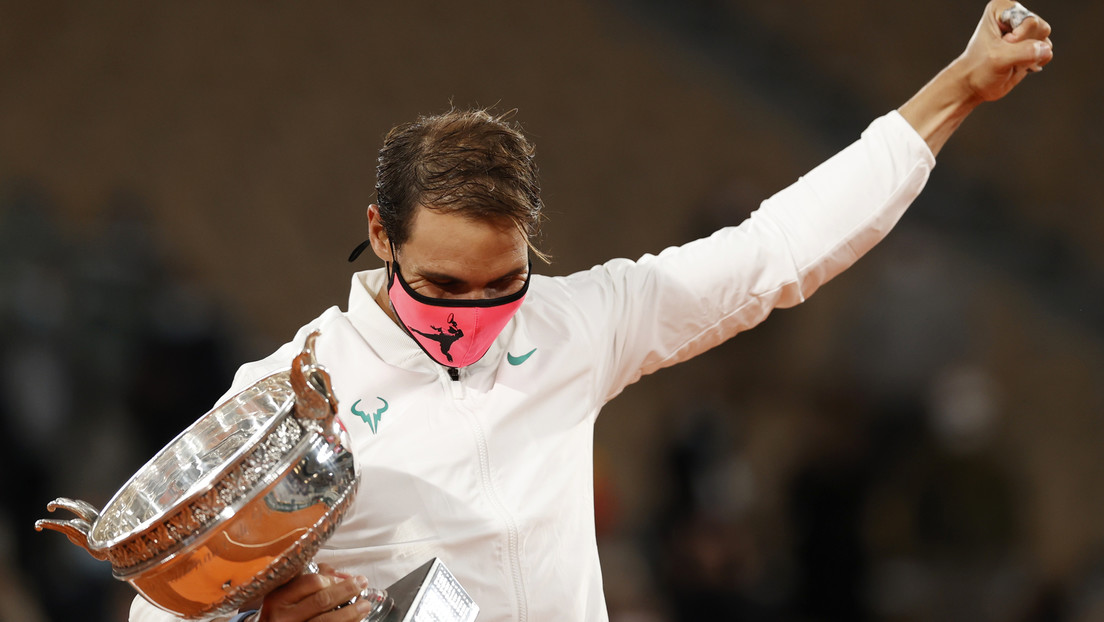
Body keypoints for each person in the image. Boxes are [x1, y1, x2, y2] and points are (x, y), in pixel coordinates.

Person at [130, 2, 1053, 620]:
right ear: (381, 233)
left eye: (502, 283)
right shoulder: (292, 398)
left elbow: (777, 250)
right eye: (444, 287)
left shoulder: (577, 323)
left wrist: (957, 90)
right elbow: (154, 609)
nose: (473, 316)